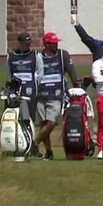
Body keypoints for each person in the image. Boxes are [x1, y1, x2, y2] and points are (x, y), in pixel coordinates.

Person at [35, 32, 78, 160]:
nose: (56, 44)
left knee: (52, 122)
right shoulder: (38, 56)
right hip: (40, 95)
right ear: (46, 44)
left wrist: (77, 84)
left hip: (56, 94)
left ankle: (33, 144)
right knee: (44, 124)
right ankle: (48, 152)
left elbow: (71, 71)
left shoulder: (62, 55)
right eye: (53, 43)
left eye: (56, 42)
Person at [6, 32, 44, 126]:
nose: (28, 46)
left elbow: (40, 73)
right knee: (13, 115)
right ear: (19, 43)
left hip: (30, 91)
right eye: (25, 44)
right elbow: (9, 74)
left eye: (29, 44)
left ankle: (29, 135)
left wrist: (34, 83)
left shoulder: (35, 55)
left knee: (29, 118)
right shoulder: (11, 56)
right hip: (15, 91)